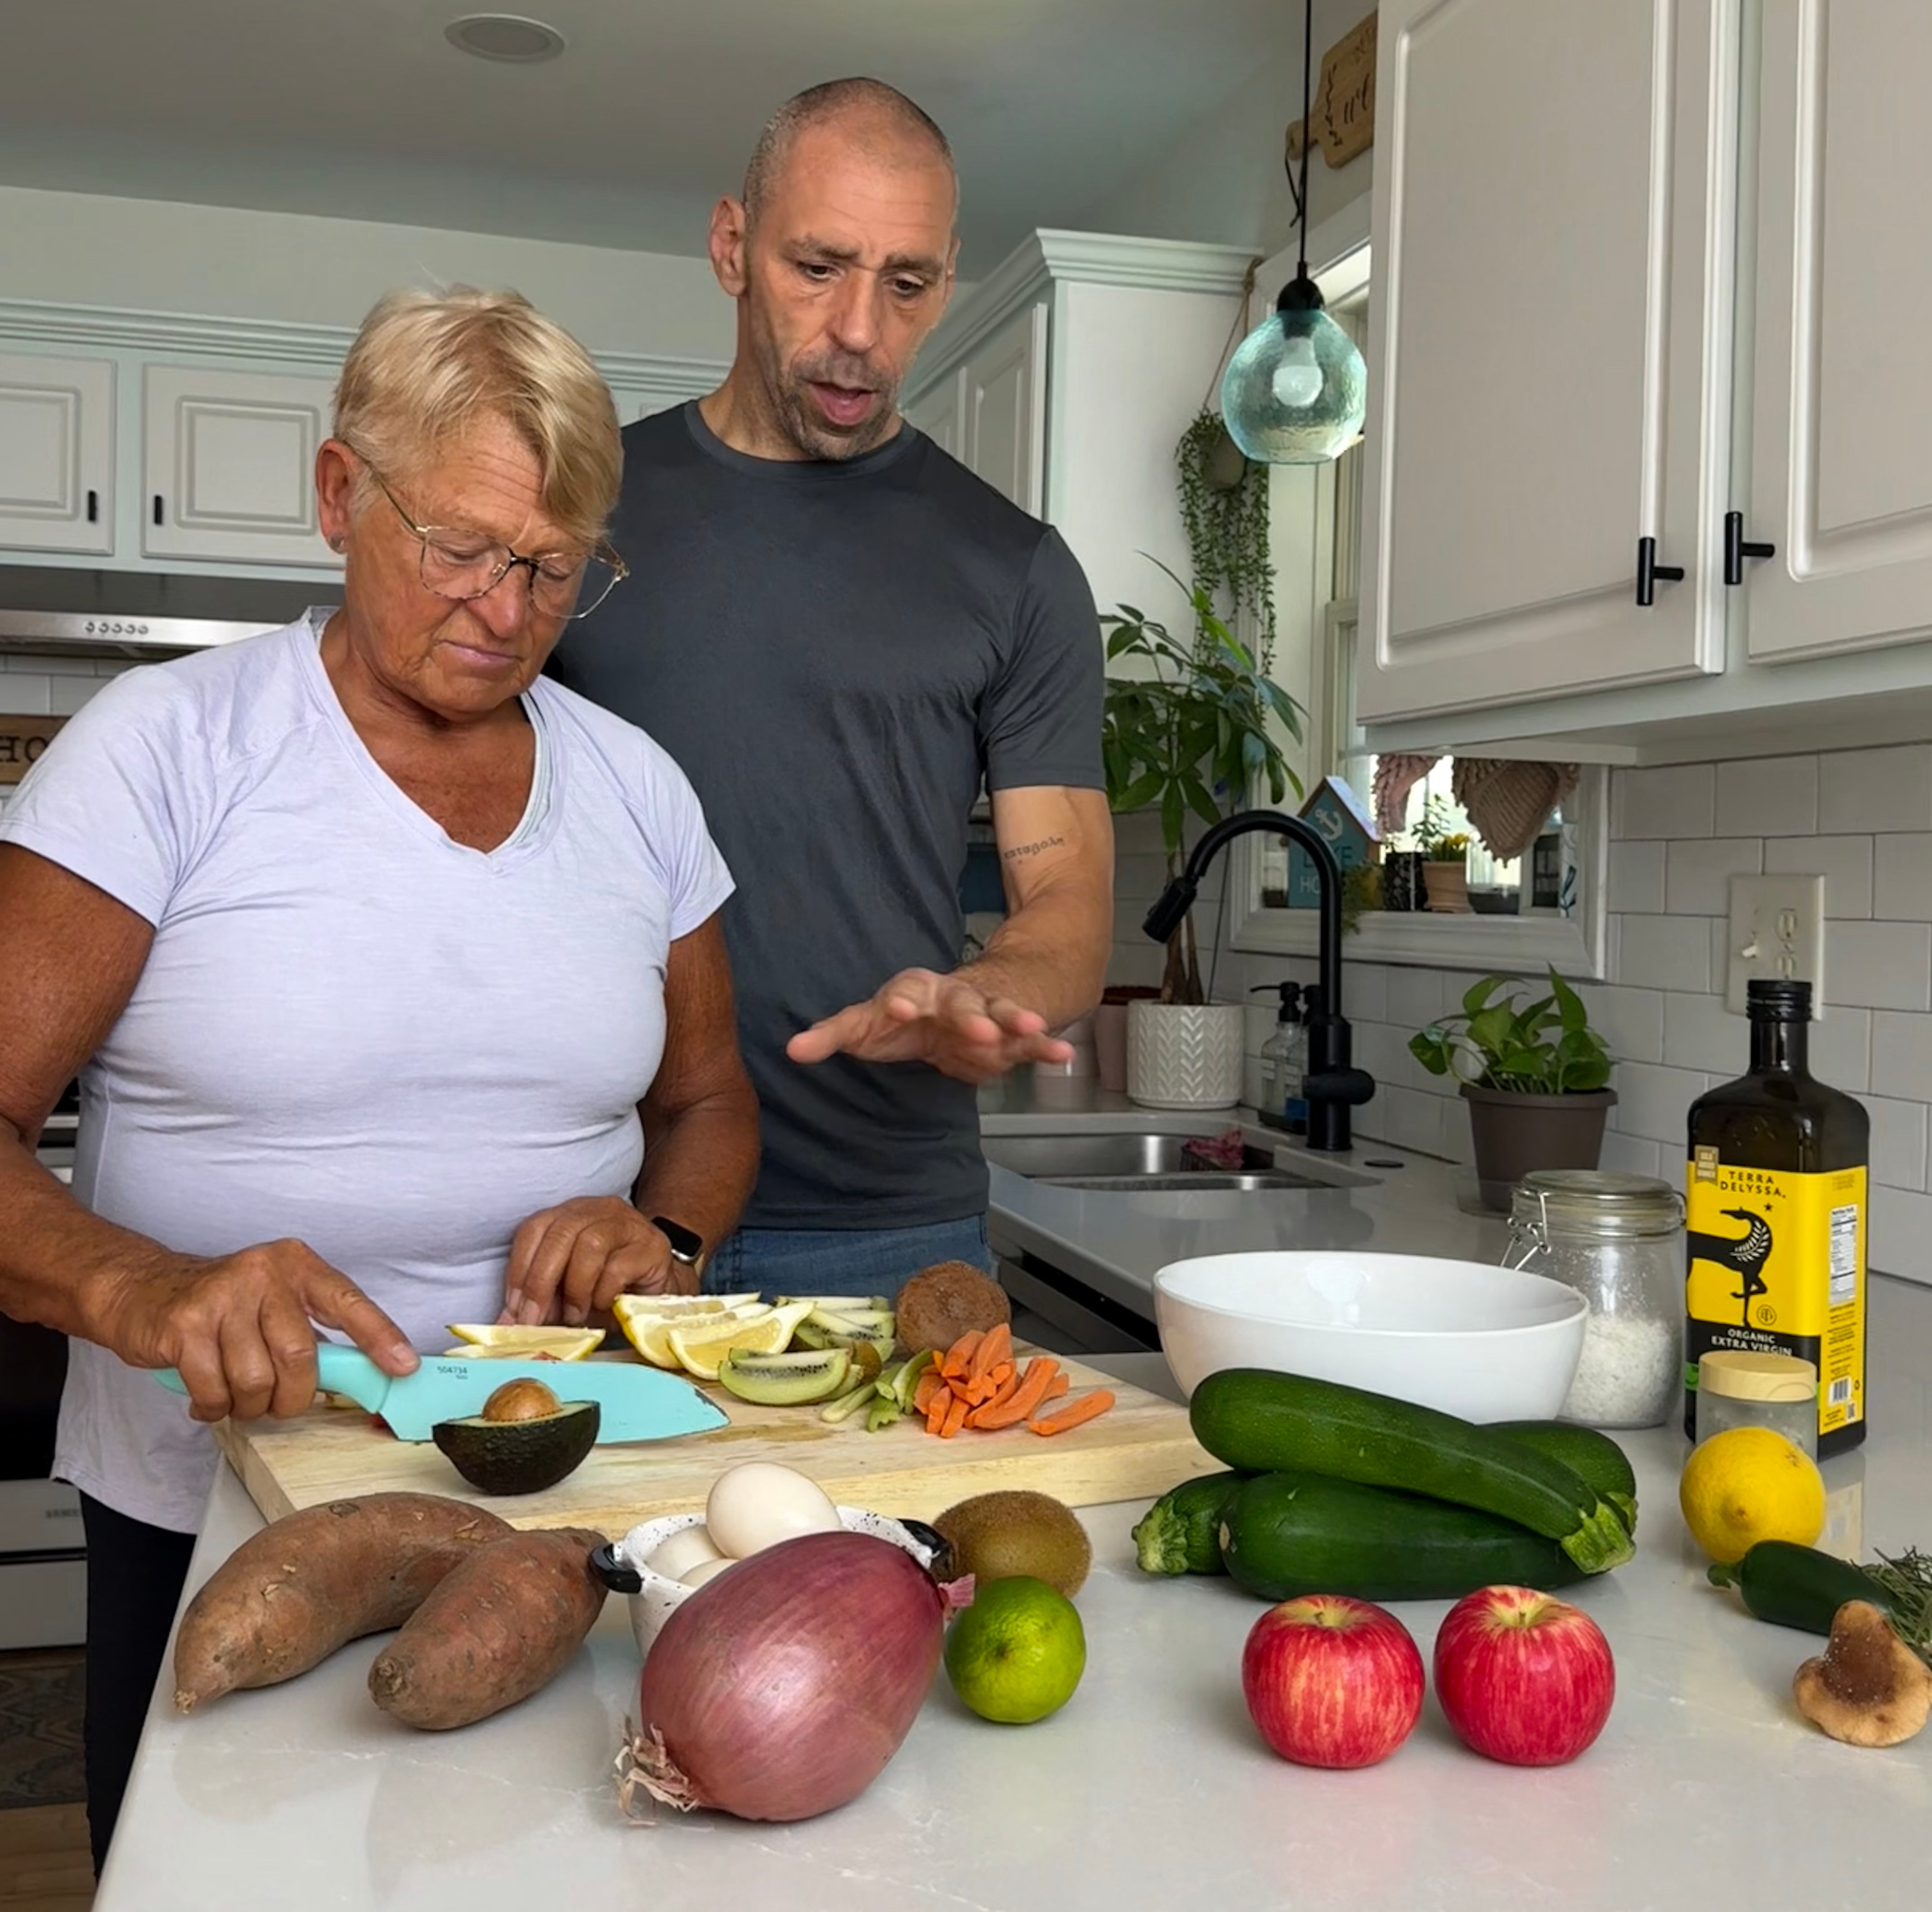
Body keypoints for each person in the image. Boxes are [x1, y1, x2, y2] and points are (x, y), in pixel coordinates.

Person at [0, 287, 759, 1870]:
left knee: (551, 1864)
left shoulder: (637, 790)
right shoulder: (165, 750)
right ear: (342, 494)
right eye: (461, 545)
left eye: (553, 567)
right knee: (217, 1872)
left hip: (571, 1477)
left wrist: (666, 1248)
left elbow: (707, 1105)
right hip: (220, 1493)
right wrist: (149, 1291)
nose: (503, 606)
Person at [550, 78, 1114, 1303]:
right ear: (731, 249)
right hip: (595, 1208)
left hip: (882, 1224)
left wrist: (987, 993)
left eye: (906, 283)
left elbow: (1066, 890)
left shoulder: (1013, 568)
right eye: (818, 267)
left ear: (946, 281)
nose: (860, 327)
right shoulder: (577, 514)